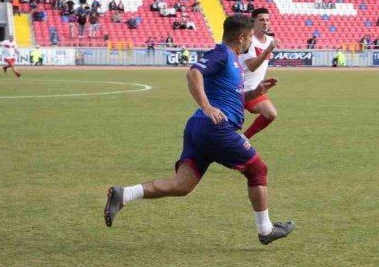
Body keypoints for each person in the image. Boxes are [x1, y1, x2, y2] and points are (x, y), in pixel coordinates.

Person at [103, 14, 294, 245]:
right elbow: (194, 72)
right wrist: (206, 106)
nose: (252, 43)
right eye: (250, 38)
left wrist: (256, 92)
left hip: (199, 129)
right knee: (258, 170)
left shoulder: (233, 61)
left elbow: (233, 98)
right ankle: (265, 230)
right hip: (214, 128)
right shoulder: (222, 53)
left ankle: (124, 194)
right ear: (241, 36)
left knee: (182, 185)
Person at [239, 8, 280, 140]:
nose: (265, 23)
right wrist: (268, 50)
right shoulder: (248, 41)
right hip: (237, 90)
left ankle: (243, 139)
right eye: (261, 20)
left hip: (254, 91)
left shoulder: (269, 40)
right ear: (253, 22)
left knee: (270, 114)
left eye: (267, 20)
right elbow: (252, 66)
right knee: (222, 126)